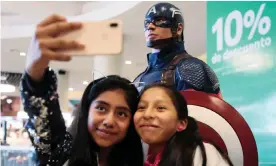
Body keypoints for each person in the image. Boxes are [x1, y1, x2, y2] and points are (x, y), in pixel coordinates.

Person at [20, 14, 143, 166]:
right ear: (87, 110)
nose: (109, 121)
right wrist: (35, 70)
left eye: (121, 113)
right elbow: (41, 110)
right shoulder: (61, 153)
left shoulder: (141, 161)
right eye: (101, 108)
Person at [133, 2, 222, 98]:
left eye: (159, 21)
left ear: (178, 29)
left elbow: (204, 111)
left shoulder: (192, 68)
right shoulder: (139, 79)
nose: (150, 27)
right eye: (147, 23)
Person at [134, 84, 233, 166]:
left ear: (181, 124)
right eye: (141, 107)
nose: (147, 115)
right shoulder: (137, 154)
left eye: (160, 108)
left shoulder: (201, 154)